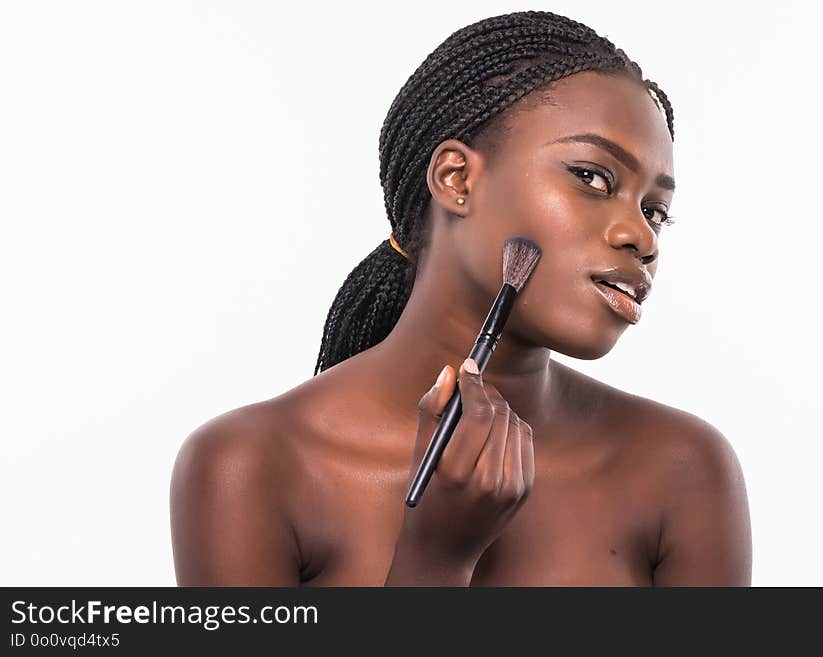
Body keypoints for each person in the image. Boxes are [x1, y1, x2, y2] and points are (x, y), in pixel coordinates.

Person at [170, 10, 752, 586]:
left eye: (656, 212)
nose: (642, 236)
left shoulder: (681, 470)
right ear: (457, 179)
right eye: (593, 178)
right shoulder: (249, 469)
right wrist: (435, 558)